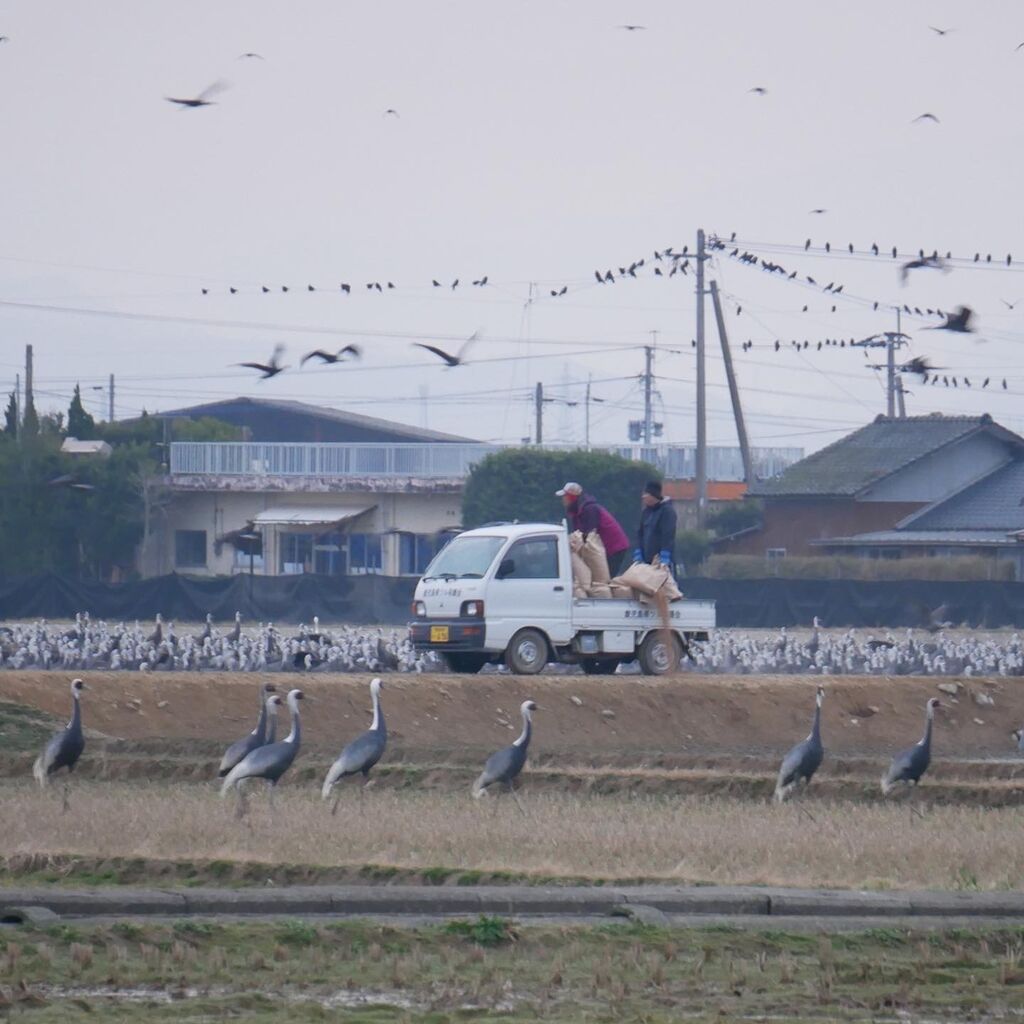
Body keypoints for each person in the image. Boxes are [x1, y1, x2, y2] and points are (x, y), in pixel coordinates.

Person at [556, 481, 631, 577]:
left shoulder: (590, 509)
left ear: (572, 498)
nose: (563, 500)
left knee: (604, 578)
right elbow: (578, 534)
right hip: (603, 548)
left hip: (614, 547)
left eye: (565, 497)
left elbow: (590, 533)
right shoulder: (576, 511)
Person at [634, 479, 678, 571]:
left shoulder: (667, 511)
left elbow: (668, 535)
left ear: (653, 495)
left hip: (661, 560)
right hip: (646, 561)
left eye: (646, 494)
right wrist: (638, 551)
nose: (643, 497)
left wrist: (665, 555)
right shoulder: (646, 512)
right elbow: (640, 533)